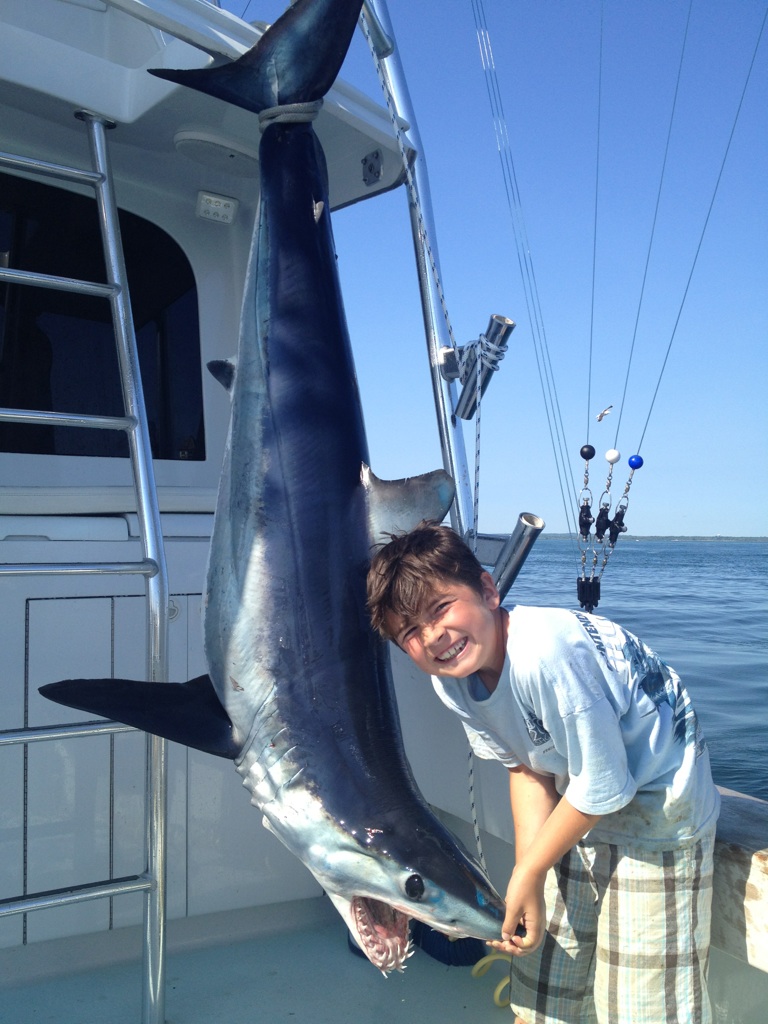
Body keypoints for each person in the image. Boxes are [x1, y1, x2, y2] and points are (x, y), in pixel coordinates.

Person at [366, 520, 720, 1024]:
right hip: (580, 802)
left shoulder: (546, 654)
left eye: (441, 608)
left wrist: (530, 870)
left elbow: (605, 787)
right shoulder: (454, 682)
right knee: (541, 995)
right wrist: (527, 869)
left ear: (488, 590)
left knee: (642, 1008)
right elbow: (525, 768)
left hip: (658, 817)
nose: (433, 636)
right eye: (410, 633)